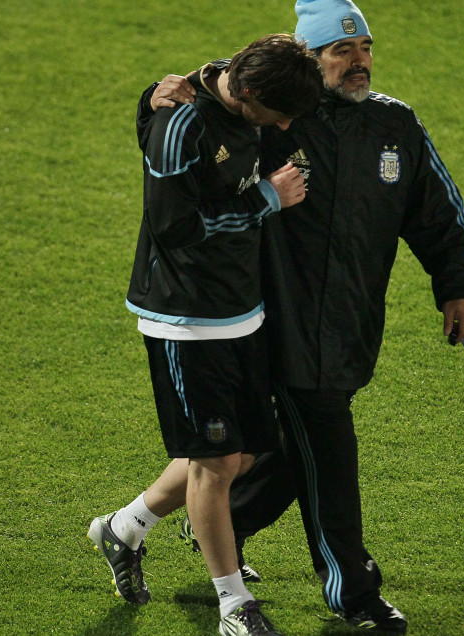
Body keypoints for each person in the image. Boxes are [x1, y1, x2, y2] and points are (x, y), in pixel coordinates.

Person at [143, 1, 464, 632]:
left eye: (365, 49)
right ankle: (353, 591)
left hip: (347, 323)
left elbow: (435, 209)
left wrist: (456, 286)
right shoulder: (275, 124)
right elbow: (221, 104)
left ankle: (192, 523)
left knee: (260, 450)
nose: (359, 62)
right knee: (326, 453)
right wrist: (163, 92)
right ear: (310, 59)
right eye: (340, 51)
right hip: (269, 322)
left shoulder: (395, 126)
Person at [87, 33, 322, 636]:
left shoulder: (227, 81)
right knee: (216, 464)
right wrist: (268, 198)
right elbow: (174, 227)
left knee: (238, 452)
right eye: (280, 113)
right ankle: (233, 606)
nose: (286, 124)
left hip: (241, 307)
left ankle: (125, 527)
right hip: (186, 319)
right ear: (247, 93)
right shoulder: (182, 124)